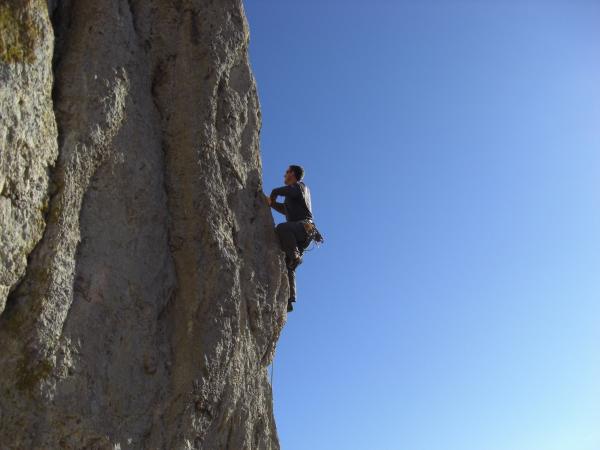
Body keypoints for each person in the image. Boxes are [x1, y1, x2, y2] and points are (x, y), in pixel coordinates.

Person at [267, 165, 314, 312]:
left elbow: (285, 191)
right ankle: (289, 299)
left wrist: (274, 192)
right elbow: (285, 210)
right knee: (289, 264)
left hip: (303, 228)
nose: (284, 175)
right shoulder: (294, 195)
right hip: (302, 233)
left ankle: (295, 256)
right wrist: (271, 203)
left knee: (282, 228)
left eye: (287, 172)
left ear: (292, 173)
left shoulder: (299, 187)